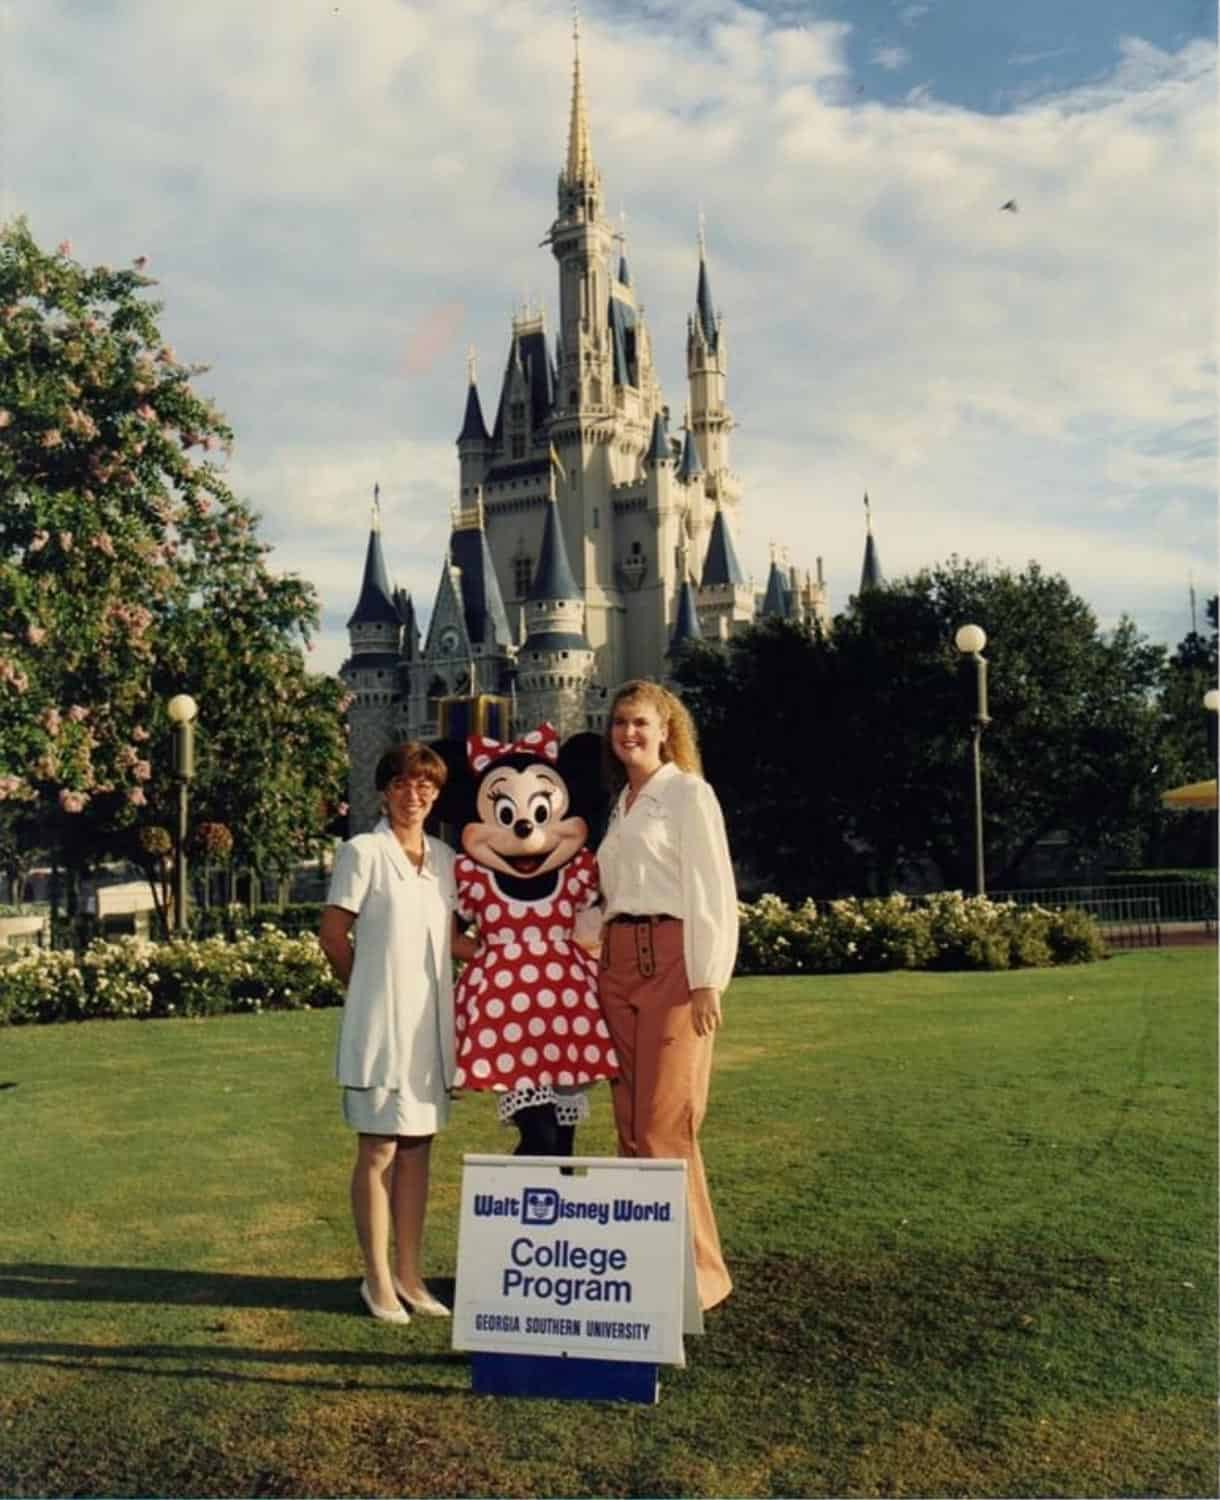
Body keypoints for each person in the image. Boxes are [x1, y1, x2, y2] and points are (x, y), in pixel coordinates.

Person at [596, 680, 738, 1310]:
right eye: (620, 721)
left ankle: (699, 1281)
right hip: (617, 962)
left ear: (666, 729)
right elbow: (610, 896)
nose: (629, 732)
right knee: (629, 1127)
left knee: (664, 1126)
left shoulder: (687, 794)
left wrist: (708, 978)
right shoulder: (621, 805)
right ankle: (646, 1267)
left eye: (641, 722)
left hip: (674, 963)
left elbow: (711, 888)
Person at [318, 742, 472, 1325]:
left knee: (418, 1150)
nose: (415, 795)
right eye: (404, 785)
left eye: (425, 786)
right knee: (379, 1149)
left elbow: (453, 940)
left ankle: (410, 1274)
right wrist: (366, 995)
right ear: (385, 791)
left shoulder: (444, 858)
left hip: (429, 1031)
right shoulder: (362, 852)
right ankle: (376, 1278)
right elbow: (334, 935)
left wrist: (518, 955)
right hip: (380, 1028)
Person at [452, 724, 617, 1157]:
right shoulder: (473, 877)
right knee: (538, 1136)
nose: (525, 826)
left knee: (562, 1140)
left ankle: (555, 1215)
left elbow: (597, 922)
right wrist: (497, 955)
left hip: (565, 1013)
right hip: (507, 1017)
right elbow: (450, 936)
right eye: (507, 814)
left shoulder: (579, 872)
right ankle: (514, 1211)